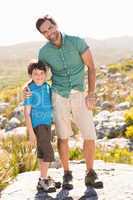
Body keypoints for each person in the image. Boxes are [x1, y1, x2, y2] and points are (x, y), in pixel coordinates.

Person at [23, 15, 103, 190]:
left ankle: (90, 173)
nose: (49, 33)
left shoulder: (76, 42)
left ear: (56, 25)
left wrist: (91, 93)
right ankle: (67, 174)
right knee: (63, 136)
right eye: (44, 32)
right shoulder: (44, 52)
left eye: (50, 28)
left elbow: (91, 67)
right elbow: (39, 75)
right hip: (59, 95)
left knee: (89, 134)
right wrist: (27, 87)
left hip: (79, 94)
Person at [23, 61, 58, 193]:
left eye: (42, 73)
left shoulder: (47, 86)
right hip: (38, 125)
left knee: (43, 152)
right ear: (30, 75)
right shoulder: (29, 90)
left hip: (47, 123)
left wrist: (53, 124)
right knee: (48, 152)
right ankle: (43, 179)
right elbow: (26, 113)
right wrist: (31, 132)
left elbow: (50, 106)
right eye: (35, 74)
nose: (39, 76)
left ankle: (41, 180)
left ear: (46, 74)